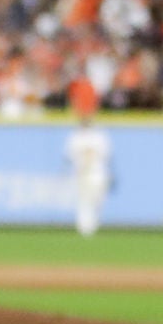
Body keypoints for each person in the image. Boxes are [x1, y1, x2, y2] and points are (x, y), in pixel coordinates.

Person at [65, 98, 112, 238]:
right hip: (81, 172)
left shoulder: (99, 135)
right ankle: (84, 228)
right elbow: (69, 155)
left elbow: (106, 154)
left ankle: (93, 225)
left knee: (98, 199)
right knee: (83, 200)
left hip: (97, 172)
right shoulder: (75, 136)